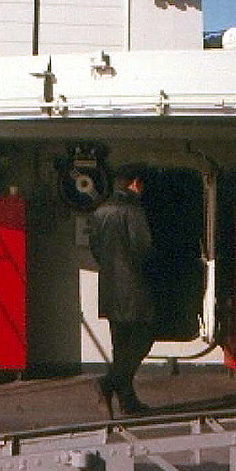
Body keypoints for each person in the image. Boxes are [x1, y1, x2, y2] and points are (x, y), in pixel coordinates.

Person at [87, 163, 156, 417]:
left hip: (109, 286)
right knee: (144, 337)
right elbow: (143, 248)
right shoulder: (133, 210)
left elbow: (95, 248)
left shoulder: (100, 211)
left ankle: (128, 401)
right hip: (134, 287)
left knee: (120, 343)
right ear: (135, 183)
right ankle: (108, 382)